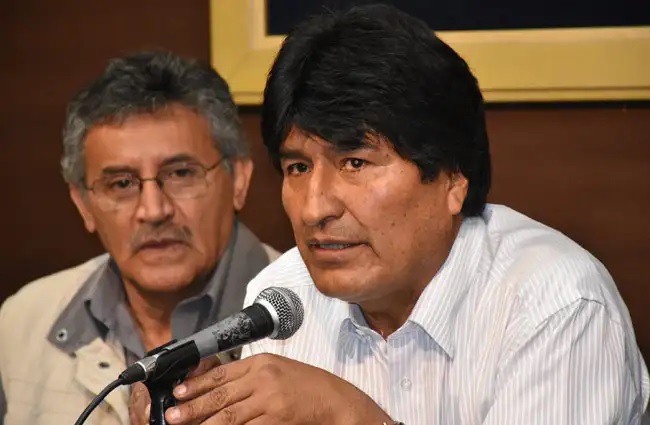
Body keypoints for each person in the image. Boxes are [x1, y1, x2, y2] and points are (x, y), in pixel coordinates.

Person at [140, 5, 650, 425]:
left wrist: (350, 416)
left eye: (355, 163)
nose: (315, 208)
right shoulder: (282, 296)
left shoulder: (556, 306)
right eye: (298, 167)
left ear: (452, 178)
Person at [0, 50, 280, 425]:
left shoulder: (325, 318)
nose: (153, 210)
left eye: (181, 173)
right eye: (121, 183)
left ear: (239, 180)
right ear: (83, 204)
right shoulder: (24, 322)